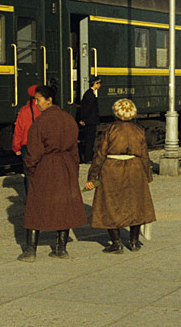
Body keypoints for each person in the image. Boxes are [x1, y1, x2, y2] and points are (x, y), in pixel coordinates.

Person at [18, 85, 87, 262]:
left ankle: (30, 251)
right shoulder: (68, 119)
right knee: (63, 206)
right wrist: (74, 169)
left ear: (49, 100)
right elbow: (74, 149)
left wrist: (31, 170)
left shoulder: (40, 123)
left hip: (45, 166)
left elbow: (33, 153)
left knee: (35, 206)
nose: (36, 104)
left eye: (38, 100)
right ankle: (60, 248)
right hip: (65, 166)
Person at [84, 98, 156, 253]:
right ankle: (135, 242)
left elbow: (100, 155)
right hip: (135, 169)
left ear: (115, 113)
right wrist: (147, 177)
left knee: (109, 204)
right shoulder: (139, 130)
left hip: (112, 170)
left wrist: (92, 177)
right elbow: (144, 156)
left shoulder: (110, 130)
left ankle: (116, 243)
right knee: (135, 205)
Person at [12, 85, 42, 196]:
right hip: (42, 144)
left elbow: (18, 130)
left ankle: (30, 198)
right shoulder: (45, 109)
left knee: (29, 173)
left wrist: (16, 147)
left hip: (27, 145)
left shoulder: (24, 111)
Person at [78, 76, 102, 164]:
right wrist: (83, 119)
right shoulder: (90, 95)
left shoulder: (90, 93)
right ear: (95, 84)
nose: (99, 85)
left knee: (90, 139)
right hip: (90, 121)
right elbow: (87, 108)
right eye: (98, 83)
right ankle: (88, 158)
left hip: (90, 120)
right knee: (89, 139)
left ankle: (88, 157)